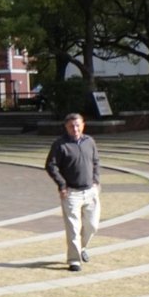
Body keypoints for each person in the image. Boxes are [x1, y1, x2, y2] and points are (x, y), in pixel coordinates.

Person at [44, 112, 100, 272]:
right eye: (71, 126)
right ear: (66, 127)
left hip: (90, 191)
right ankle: (74, 260)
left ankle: (82, 248)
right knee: (73, 228)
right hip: (71, 193)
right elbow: (50, 166)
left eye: (77, 125)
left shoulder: (90, 141)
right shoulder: (60, 145)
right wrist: (62, 185)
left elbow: (96, 161)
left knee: (92, 225)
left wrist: (96, 180)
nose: (75, 129)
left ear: (83, 125)